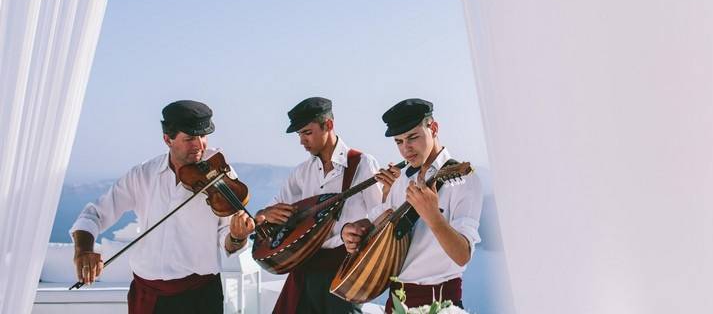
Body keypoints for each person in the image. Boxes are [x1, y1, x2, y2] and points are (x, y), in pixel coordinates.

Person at [70, 100, 255, 314]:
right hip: (148, 294)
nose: (200, 146)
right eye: (190, 139)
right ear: (167, 139)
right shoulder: (142, 175)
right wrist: (83, 250)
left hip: (199, 296)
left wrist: (238, 237)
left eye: (203, 136)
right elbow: (94, 214)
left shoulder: (220, 173)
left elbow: (228, 238)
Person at [341, 98, 483, 313]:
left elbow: (463, 255)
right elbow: (380, 223)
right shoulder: (400, 180)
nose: (405, 149)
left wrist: (433, 217)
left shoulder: (464, 180)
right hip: (395, 300)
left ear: (433, 128)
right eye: (399, 141)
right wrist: (352, 232)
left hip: (438, 303)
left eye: (412, 137)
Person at [259, 97, 383, 314]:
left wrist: (358, 233)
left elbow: (381, 215)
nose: (302, 141)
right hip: (306, 269)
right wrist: (265, 213)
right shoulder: (302, 172)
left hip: (344, 272)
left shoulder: (362, 164)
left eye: (307, 133)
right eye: (299, 134)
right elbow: (276, 206)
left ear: (328, 125)